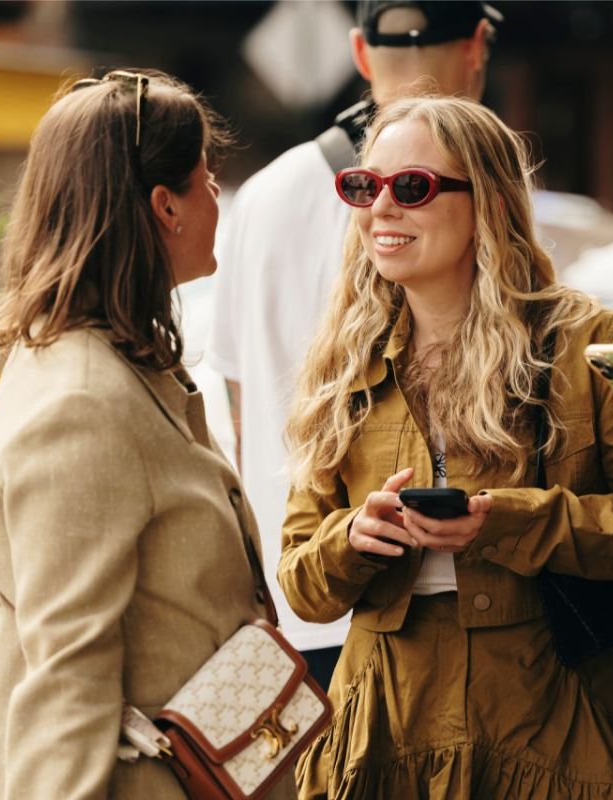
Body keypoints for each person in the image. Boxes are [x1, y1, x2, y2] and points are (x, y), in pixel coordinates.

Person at [279, 95, 613, 799]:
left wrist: (510, 522)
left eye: (414, 187)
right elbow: (302, 586)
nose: (382, 211)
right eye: (365, 187)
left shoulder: (593, 342)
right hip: (383, 724)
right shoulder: (344, 360)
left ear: (485, 201)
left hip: (546, 715)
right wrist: (354, 538)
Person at [0, 70, 295, 800]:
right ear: (164, 207)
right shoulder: (81, 402)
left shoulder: (110, 361)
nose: (218, 197)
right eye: (209, 178)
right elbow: (66, 680)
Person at [203, 0, 500, 688]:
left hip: (295, 599)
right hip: (435, 615)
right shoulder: (478, 203)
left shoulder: (262, 197)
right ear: (478, 45)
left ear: (360, 56)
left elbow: (242, 412)